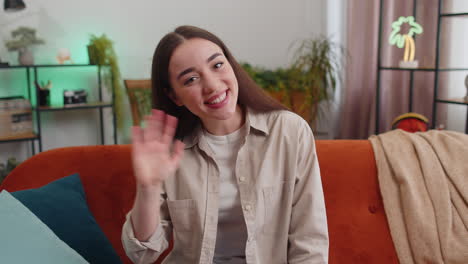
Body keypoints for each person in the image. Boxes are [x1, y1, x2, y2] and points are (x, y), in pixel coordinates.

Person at [122, 25, 329, 264]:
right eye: (191, 79)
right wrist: (148, 187)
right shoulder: (168, 152)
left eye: (217, 65)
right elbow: (142, 254)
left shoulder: (290, 132)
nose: (212, 85)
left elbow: (310, 241)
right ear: (174, 96)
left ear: (232, 65)